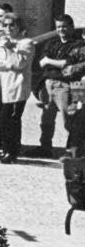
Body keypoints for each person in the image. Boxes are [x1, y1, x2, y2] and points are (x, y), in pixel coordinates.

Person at [0, 4, 35, 163]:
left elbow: (20, 64)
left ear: (19, 26)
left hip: (14, 88)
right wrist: (6, 64)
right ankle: (5, 149)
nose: (8, 28)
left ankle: (11, 152)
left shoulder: (26, 43)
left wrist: (10, 51)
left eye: (12, 25)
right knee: (0, 120)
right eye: (5, 25)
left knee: (10, 120)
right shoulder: (0, 42)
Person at [35, 14, 85, 157]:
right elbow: (41, 62)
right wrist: (57, 63)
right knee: (46, 119)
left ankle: (75, 151)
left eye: (64, 26)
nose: (61, 29)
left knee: (70, 120)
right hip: (48, 84)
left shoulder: (78, 45)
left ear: (71, 27)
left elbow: (67, 65)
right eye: (58, 27)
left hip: (66, 86)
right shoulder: (52, 43)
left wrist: (50, 61)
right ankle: (45, 147)